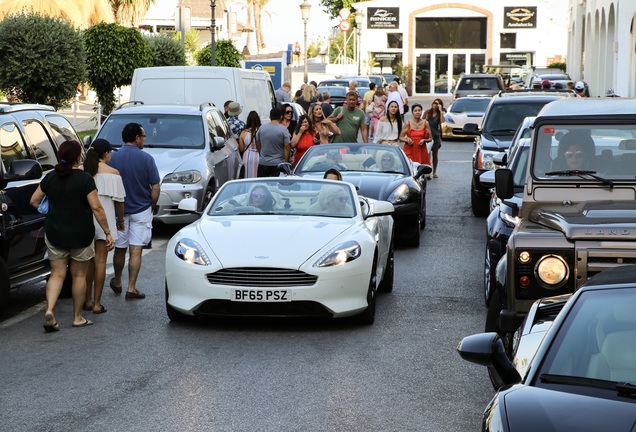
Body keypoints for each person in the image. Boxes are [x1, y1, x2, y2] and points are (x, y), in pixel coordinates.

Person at [29, 140, 114, 331]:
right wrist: (108, 232)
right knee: (78, 276)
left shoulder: (50, 178)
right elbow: (97, 208)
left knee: (57, 274)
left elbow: (34, 200)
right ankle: (77, 317)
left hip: (55, 233)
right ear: (78, 157)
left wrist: (50, 211)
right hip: (81, 235)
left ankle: (50, 310)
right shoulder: (84, 179)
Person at [109, 123, 160, 301]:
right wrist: (153, 203)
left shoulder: (113, 158)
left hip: (119, 211)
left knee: (120, 249)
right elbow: (155, 186)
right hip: (141, 209)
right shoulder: (146, 158)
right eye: (143, 136)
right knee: (136, 249)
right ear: (137, 138)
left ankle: (117, 281)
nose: (144, 140)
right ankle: (131, 287)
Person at [83, 139, 126, 315]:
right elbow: (119, 203)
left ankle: (87, 300)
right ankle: (97, 304)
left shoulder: (83, 171)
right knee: (101, 261)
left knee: (87, 262)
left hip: (85, 221)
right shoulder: (113, 173)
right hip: (104, 222)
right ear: (106, 153)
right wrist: (120, 221)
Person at [256, 107, 291, 177]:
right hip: (278, 163)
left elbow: (258, 143)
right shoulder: (284, 130)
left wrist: (262, 153)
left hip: (263, 162)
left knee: (263, 185)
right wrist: (286, 162)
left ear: (270, 117)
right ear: (281, 117)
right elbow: (287, 147)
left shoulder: (261, 128)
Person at [400, 103, 433, 171]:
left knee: (421, 170)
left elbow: (430, 138)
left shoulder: (425, 123)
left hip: (421, 150)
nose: (417, 112)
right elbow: (400, 137)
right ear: (412, 112)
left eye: (419, 110)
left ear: (421, 111)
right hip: (410, 149)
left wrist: (424, 140)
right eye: (415, 111)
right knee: (410, 168)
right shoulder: (408, 123)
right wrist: (407, 139)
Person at [424, 98, 445, 178]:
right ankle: (428, 171)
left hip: (436, 136)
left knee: (435, 155)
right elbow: (421, 121)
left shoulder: (440, 114)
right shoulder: (427, 112)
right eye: (435, 103)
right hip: (428, 136)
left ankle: (434, 171)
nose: (435, 105)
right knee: (427, 154)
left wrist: (441, 110)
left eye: (438, 104)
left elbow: (442, 121)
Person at [239, 111, 261, 178]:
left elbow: (241, 149)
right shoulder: (261, 131)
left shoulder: (243, 133)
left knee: (247, 176)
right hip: (258, 156)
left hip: (247, 157)